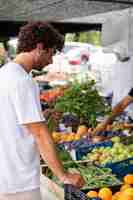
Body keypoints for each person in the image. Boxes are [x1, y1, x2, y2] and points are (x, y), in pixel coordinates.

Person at [0, 22, 85, 200]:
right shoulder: (23, 81)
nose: (51, 60)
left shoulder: (5, 73)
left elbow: (19, 125)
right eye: (51, 52)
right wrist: (64, 176)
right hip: (19, 180)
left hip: (6, 175)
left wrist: (44, 119)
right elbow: (39, 133)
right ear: (40, 47)